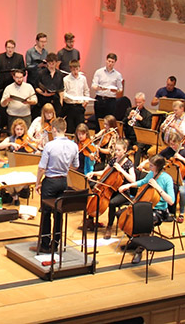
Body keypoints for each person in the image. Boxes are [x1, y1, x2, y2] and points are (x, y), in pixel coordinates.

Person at [118, 155, 175, 264]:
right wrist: (129, 186)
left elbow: (171, 201)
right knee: (121, 214)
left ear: (158, 167)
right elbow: (141, 182)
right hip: (144, 206)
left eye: (151, 165)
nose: (149, 167)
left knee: (144, 223)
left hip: (159, 210)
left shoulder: (167, 179)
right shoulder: (150, 174)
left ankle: (139, 250)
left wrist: (157, 187)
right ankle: (134, 240)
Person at [34, 118, 78, 253]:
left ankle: (44, 245)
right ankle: (56, 244)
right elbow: (75, 166)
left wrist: (37, 183)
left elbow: (42, 168)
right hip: (63, 182)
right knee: (59, 213)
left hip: (50, 181)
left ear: (54, 129)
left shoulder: (50, 145)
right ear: (65, 130)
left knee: (46, 213)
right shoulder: (74, 145)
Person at [88, 139, 136, 239]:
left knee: (112, 203)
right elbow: (104, 172)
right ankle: (90, 221)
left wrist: (121, 170)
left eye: (119, 150)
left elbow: (133, 180)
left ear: (125, 150)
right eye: (115, 150)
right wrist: (94, 173)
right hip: (110, 189)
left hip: (123, 192)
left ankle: (109, 227)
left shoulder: (129, 163)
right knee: (96, 194)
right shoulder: (113, 160)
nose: (116, 152)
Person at [144, 128, 185, 223]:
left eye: (174, 144)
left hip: (182, 179)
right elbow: (157, 157)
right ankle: (166, 210)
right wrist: (144, 163)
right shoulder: (169, 150)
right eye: (170, 144)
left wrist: (181, 158)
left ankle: (181, 213)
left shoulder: (184, 152)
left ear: (180, 142)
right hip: (169, 177)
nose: (172, 146)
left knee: (182, 192)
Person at [0, 40, 26, 132]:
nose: (10, 49)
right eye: (8, 47)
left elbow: (23, 71)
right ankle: (0, 126)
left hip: (14, 84)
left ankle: (10, 126)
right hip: (1, 84)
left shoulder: (19, 57)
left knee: (13, 104)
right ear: (5, 47)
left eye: (12, 48)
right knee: (1, 104)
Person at [91, 53, 123, 128]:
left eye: (112, 62)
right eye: (109, 61)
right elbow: (93, 85)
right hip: (100, 98)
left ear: (115, 62)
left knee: (109, 122)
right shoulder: (99, 72)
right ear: (106, 61)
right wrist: (100, 88)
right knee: (98, 121)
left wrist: (116, 91)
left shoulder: (117, 75)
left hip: (111, 100)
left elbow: (120, 89)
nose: (110, 63)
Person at [122, 92, 152, 165]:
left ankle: (135, 168)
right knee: (122, 144)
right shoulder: (130, 110)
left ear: (144, 102)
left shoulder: (148, 114)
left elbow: (148, 127)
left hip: (140, 139)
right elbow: (123, 123)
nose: (138, 104)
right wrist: (128, 117)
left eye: (140, 102)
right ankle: (124, 164)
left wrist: (141, 119)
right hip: (129, 137)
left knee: (138, 148)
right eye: (136, 102)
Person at [63, 59, 90, 134]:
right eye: (74, 69)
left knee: (80, 128)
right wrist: (69, 97)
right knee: (70, 128)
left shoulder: (83, 78)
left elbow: (86, 90)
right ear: (70, 69)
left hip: (79, 106)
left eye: (77, 69)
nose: (75, 71)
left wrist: (86, 101)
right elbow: (64, 93)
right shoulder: (66, 79)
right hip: (70, 106)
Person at [35, 53, 64, 117]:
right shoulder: (41, 73)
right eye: (49, 63)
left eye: (53, 63)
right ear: (47, 63)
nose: (51, 65)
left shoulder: (59, 74)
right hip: (44, 99)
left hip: (55, 100)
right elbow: (36, 87)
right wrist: (43, 93)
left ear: (56, 63)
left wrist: (61, 101)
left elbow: (61, 89)